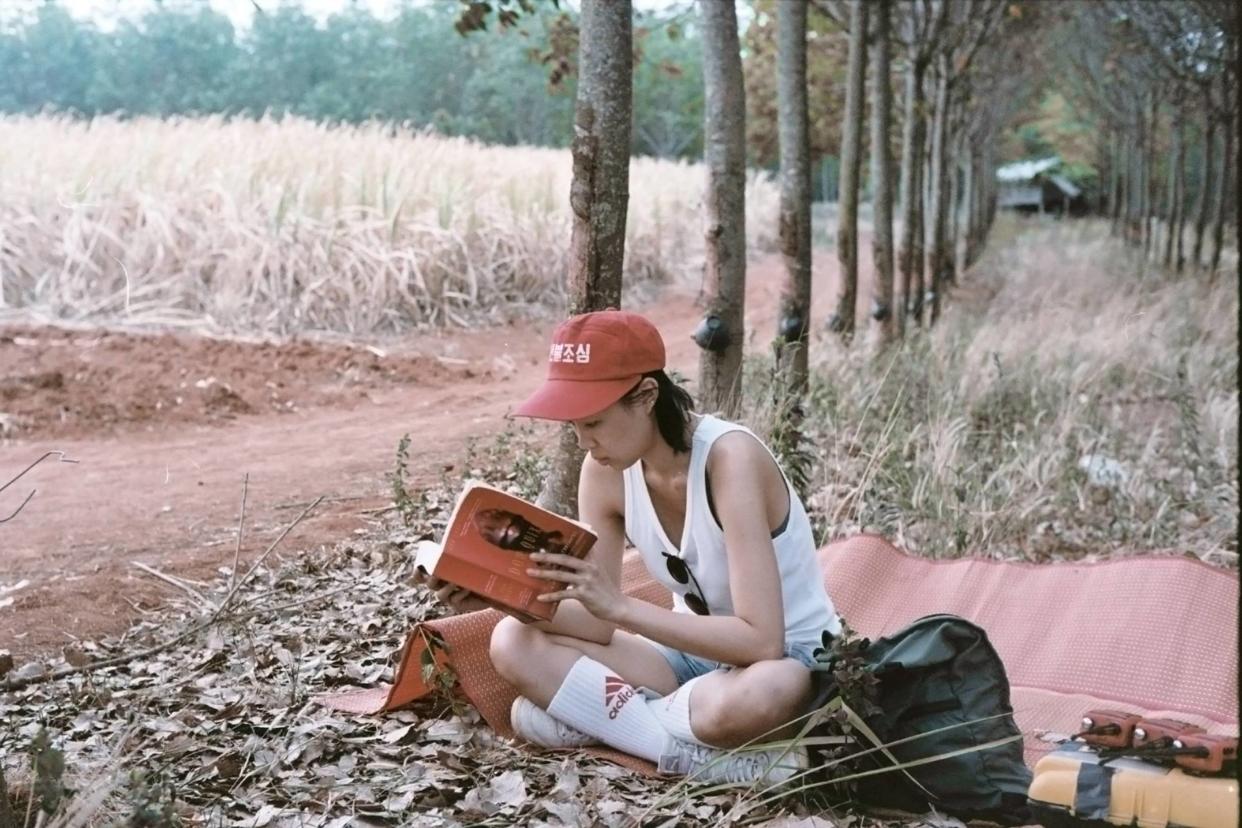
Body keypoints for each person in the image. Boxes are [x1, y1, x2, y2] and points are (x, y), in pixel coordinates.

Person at [429, 309, 842, 786]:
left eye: (595, 423)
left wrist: (621, 607)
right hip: (687, 661)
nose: (585, 443)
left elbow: (761, 641)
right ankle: (688, 751)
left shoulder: (730, 460)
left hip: (783, 660)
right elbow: (596, 623)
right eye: (574, 427)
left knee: (774, 688)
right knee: (511, 639)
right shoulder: (604, 473)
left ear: (646, 395)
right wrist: (495, 595)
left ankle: (607, 722)